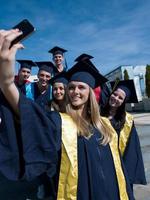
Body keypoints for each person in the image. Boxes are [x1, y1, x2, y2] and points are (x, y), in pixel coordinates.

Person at [0, 29, 135, 200]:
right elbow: (32, 118)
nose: (75, 91)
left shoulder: (106, 125)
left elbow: (120, 169)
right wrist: (7, 84)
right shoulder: (61, 122)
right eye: (71, 87)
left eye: (81, 87)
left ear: (91, 93)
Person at [100, 79, 147, 189]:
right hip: (100, 161)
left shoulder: (127, 121)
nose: (116, 98)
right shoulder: (98, 113)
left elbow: (131, 148)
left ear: (123, 102)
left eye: (120, 98)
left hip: (118, 163)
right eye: (115, 94)